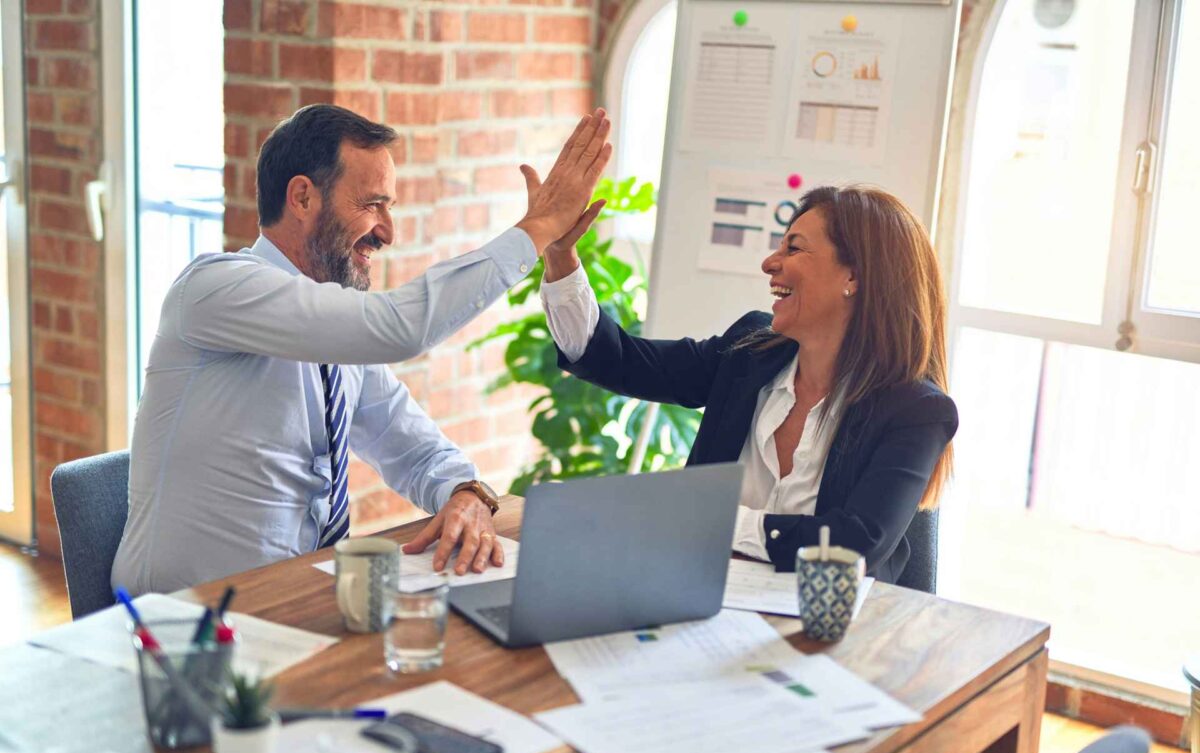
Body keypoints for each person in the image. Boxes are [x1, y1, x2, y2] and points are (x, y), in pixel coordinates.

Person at [111, 104, 611, 594]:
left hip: (295, 603)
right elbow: (400, 328)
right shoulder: (215, 289)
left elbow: (412, 446)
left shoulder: (336, 337)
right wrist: (539, 228)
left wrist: (465, 492)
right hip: (181, 625)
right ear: (303, 198)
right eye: (372, 204)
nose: (387, 232)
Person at [540, 185, 957, 582]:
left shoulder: (915, 411)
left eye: (793, 247)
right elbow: (618, 360)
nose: (770, 263)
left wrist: (714, 520)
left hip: (831, 632)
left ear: (854, 277)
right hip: (701, 601)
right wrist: (561, 256)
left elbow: (853, 546)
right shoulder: (750, 352)